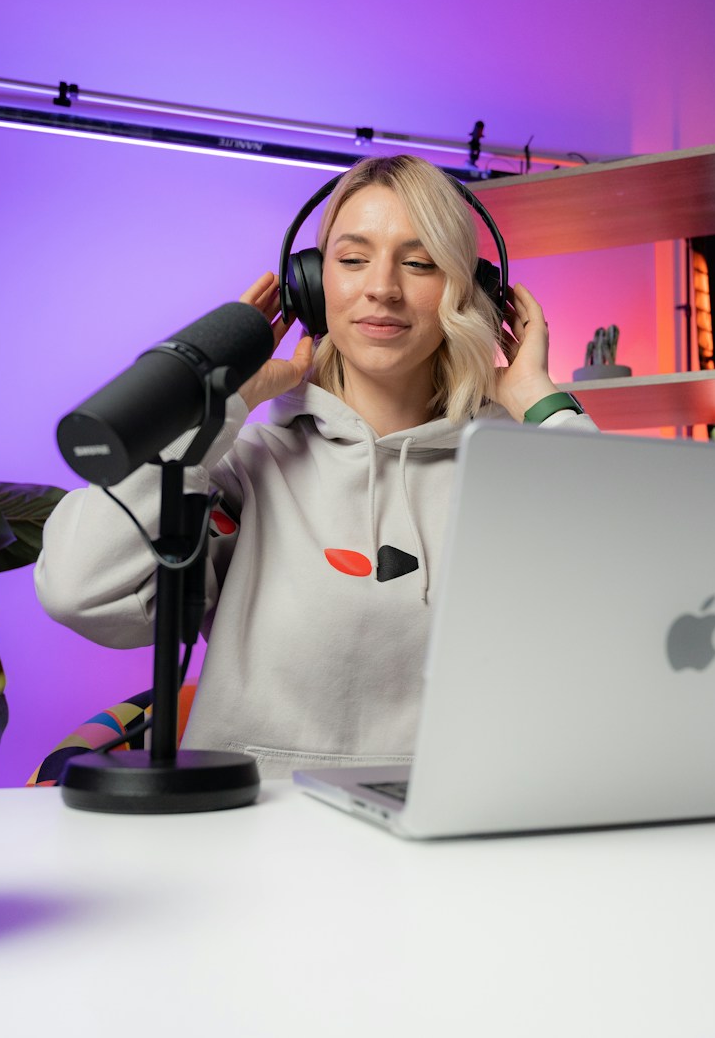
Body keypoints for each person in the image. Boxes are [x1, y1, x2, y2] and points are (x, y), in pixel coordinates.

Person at [35, 155, 596, 778]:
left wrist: (538, 400)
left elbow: (636, 606)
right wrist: (220, 407)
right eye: (352, 259)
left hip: (455, 816)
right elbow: (81, 589)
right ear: (310, 283)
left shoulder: (518, 477)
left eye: (419, 263)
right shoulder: (240, 470)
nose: (382, 288)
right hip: (258, 821)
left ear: (469, 292)